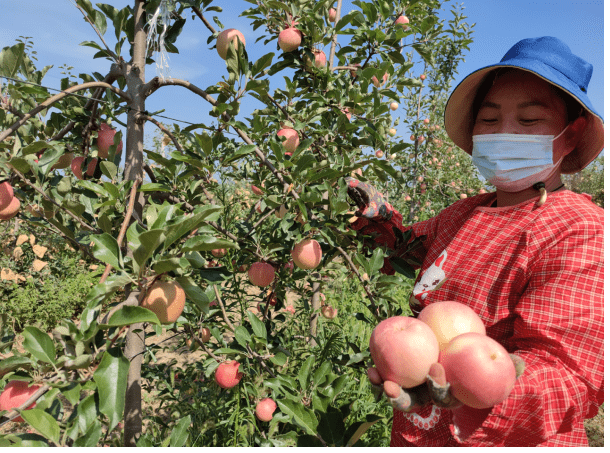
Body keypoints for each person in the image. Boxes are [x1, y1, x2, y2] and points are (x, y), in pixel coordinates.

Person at [347, 36, 604, 447]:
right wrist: (366, 214)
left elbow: (567, 377)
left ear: (571, 136)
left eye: (529, 120)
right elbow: (402, 251)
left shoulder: (579, 229)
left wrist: (480, 386)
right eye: (489, 120)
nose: (504, 133)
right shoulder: (463, 214)